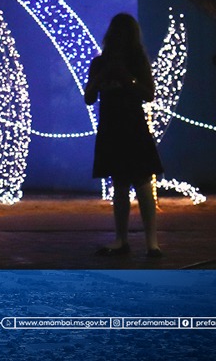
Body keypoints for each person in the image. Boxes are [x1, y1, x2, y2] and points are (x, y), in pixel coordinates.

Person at [84, 13, 163, 258]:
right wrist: (102, 76)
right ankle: (122, 239)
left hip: (132, 126)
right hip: (113, 127)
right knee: (120, 185)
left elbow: (148, 93)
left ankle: (151, 242)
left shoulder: (137, 61)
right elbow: (88, 97)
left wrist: (126, 78)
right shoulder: (100, 63)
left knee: (141, 183)